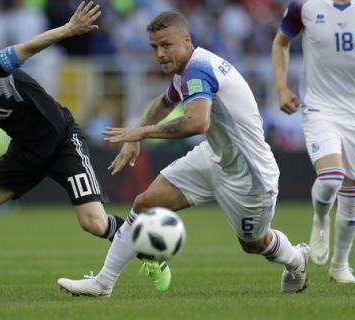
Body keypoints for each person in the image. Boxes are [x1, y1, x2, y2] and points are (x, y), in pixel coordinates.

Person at [0, 1, 167, 289]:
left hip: (62, 141)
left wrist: (69, 28)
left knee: (95, 224)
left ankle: (149, 249)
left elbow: (28, 47)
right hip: (25, 152)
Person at [57, 10, 310, 297]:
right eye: (154, 47)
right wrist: (137, 132)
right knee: (145, 203)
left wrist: (141, 133)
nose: (160, 53)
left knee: (254, 243)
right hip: (213, 157)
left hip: (249, 174)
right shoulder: (186, 68)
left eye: (166, 45)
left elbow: (197, 122)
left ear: (186, 41)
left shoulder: (198, 69)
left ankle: (296, 260)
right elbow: (165, 102)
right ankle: (104, 283)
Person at [271, 0, 355, 283]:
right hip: (320, 108)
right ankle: (320, 219)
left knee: (352, 192)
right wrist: (282, 88)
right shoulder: (304, 6)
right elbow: (280, 43)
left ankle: (340, 265)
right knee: (332, 178)